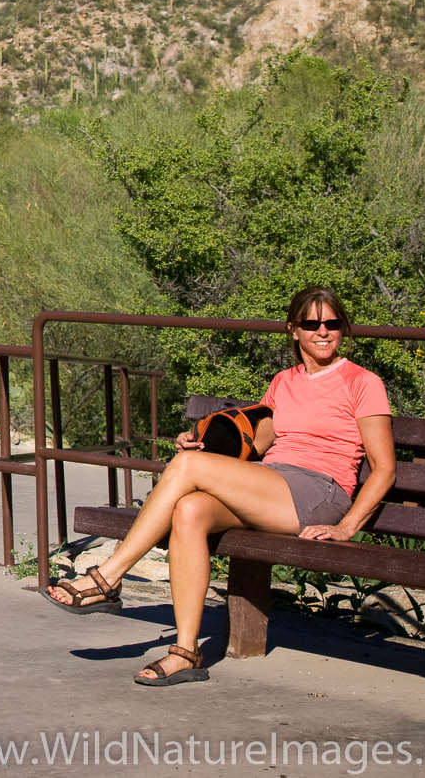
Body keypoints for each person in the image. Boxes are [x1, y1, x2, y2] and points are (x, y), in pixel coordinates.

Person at [45, 286, 395, 685]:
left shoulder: (362, 382)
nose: (322, 331)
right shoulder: (283, 382)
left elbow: (384, 469)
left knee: (188, 468)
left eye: (332, 323)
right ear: (293, 330)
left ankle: (106, 578)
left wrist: (347, 527)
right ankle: (186, 651)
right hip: (274, 484)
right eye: (311, 323)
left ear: (342, 330)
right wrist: (198, 445)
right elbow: (260, 443)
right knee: (189, 510)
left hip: (320, 493)